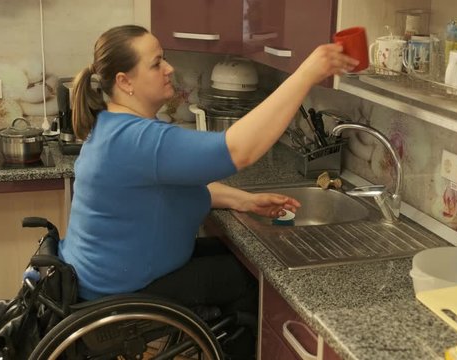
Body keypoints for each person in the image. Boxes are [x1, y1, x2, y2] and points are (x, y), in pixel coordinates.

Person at [59, 24, 357, 355]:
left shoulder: (113, 128)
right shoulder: (138, 140)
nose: (169, 68)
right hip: (121, 295)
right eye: (157, 63)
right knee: (257, 283)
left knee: (235, 259)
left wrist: (243, 200)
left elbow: (168, 186)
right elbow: (239, 150)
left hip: (102, 282)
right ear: (124, 82)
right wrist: (307, 74)